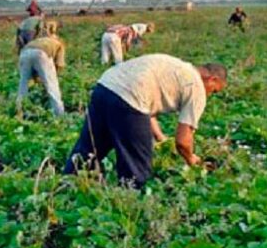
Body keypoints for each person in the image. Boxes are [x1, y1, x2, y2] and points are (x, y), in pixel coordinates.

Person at [64, 54, 227, 189]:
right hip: (130, 98)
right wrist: (191, 158)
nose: (210, 95)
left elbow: (147, 107)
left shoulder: (179, 67)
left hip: (105, 87)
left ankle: (65, 188)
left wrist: (160, 136)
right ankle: (129, 203)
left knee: (89, 148)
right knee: (136, 165)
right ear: (212, 79)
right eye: (214, 91)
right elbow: (183, 141)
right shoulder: (196, 86)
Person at [16, 29, 66, 116]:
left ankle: (19, 111)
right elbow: (59, 65)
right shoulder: (59, 45)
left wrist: (38, 78)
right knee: (52, 86)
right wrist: (52, 76)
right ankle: (59, 114)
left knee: (23, 86)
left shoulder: (40, 40)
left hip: (24, 53)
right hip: (41, 54)